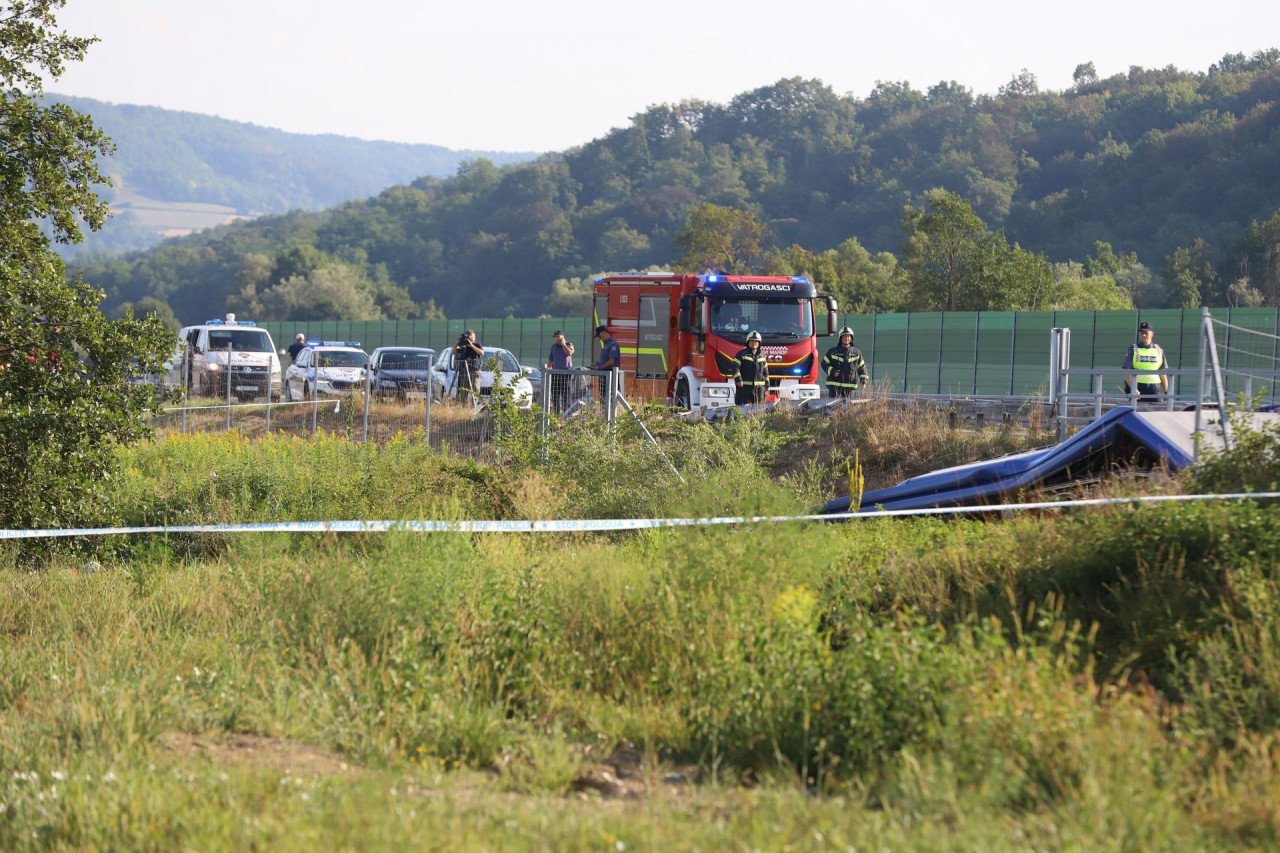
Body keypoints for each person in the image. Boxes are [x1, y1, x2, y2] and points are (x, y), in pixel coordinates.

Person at [1123, 321, 1168, 399]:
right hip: (1137, 388)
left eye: (1146, 333)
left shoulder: (1158, 350)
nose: (1143, 335)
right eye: (1141, 333)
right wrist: (1134, 389)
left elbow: (1162, 374)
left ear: (1152, 334)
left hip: (1154, 388)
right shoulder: (1133, 349)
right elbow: (1127, 373)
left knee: (1158, 410)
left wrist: (1166, 392)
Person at [823, 326, 869, 398]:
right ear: (840, 338)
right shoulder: (832, 352)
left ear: (851, 338)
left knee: (848, 408)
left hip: (849, 387)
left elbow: (862, 367)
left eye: (848, 337)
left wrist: (863, 379)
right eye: (844, 337)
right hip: (834, 386)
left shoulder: (857, 353)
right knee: (833, 407)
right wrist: (832, 371)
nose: (846, 339)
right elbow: (824, 363)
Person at [732, 330, 770, 405]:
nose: (754, 343)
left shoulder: (762, 355)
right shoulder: (741, 354)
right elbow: (735, 367)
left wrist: (767, 383)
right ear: (748, 342)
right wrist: (738, 379)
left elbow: (766, 371)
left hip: (759, 389)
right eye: (752, 341)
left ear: (759, 343)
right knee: (742, 409)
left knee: (759, 409)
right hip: (744, 388)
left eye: (756, 341)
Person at [546, 329, 575, 413]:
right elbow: (551, 360)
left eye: (558, 336)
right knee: (555, 395)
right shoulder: (554, 346)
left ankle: (567, 413)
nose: (556, 339)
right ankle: (556, 413)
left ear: (563, 337)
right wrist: (549, 369)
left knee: (566, 394)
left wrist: (563, 344)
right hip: (555, 373)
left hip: (566, 373)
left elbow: (569, 353)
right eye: (555, 337)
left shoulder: (569, 345)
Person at [452, 329, 484, 402]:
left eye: (472, 337)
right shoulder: (463, 346)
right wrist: (457, 343)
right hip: (464, 371)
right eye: (470, 337)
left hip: (474, 370)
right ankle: (463, 406)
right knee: (463, 390)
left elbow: (481, 353)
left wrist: (471, 345)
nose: (471, 339)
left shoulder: (477, 345)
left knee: (475, 389)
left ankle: (474, 405)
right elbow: (453, 352)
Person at [591, 325, 621, 401]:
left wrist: (599, 368)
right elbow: (605, 360)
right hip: (604, 375)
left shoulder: (612, 344)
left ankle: (610, 412)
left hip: (610, 374)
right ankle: (604, 412)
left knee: (610, 397)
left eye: (599, 336)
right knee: (603, 397)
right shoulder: (606, 344)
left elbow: (611, 361)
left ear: (604, 333)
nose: (599, 338)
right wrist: (597, 364)